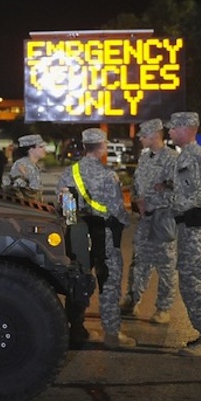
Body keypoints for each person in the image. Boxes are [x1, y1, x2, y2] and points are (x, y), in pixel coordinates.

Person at [57, 128, 135, 349]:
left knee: (79, 280)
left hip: (78, 234)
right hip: (105, 235)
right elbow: (118, 211)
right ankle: (112, 334)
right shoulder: (108, 176)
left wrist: (76, 224)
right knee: (109, 283)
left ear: (84, 146)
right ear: (101, 147)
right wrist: (124, 222)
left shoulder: (68, 173)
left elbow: (64, 208)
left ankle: (76, 329)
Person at [167, 111, 201, 356]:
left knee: (191, 282)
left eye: (172, 128)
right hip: (193, 227)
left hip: (193, 228)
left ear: (185, 129)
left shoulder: (194, 157)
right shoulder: (190, 156)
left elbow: (198, 196)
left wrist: (171, 206)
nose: (169, 132)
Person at [120, 118, 178, 323]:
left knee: (165, 264)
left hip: (163, 217)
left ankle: (163, 308)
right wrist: (137, 201)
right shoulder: (144, 158)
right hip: (145, 218)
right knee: (139, 261)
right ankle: (132, 300)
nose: (140, 139)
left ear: (154, 135)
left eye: (143, 135)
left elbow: (178, 190)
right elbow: (137, 185)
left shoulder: (173, 159)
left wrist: (152, 200)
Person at [9, 134, 47, 202]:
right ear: (31, 150)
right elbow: (16, 192)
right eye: (41, 147)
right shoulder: (21, 165)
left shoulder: (33, 166)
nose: (44, 149)